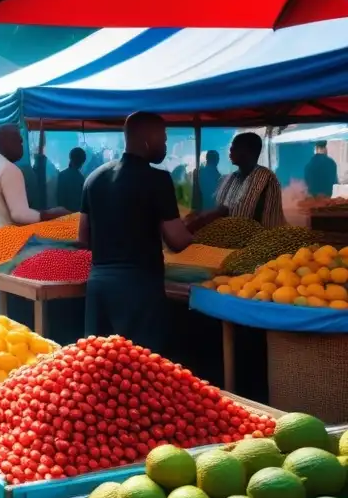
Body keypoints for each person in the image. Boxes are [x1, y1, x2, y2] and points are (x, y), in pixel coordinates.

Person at [79, 112, 193, 353]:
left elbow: (83, 237)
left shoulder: (93, 178)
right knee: (140, 372)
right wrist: (199, 224)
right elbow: (177, 241)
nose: (165, 145)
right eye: (162, 139)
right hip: (138, 289)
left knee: (99, 365)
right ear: (147, 138)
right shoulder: (157, 179)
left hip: (99, 286)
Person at [0, 125, 69, 227]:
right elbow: (20, 215)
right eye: (19, 141)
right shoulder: (8, 169)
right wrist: (52, 214)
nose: (21, 145)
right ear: (5, 143)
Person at [190, 133, 285, 230]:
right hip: (231, 237)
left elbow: (267, 219)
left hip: (259, 239)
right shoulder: (229, 178)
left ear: (250, 151)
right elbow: (225, 210)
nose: (230, 150)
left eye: (235, 147)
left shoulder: (267, 178)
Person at [56, 147, 87, 213]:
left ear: (70, 158)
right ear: (82, 162)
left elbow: (60, 199)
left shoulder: (62, 175)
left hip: (63, 214)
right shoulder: (81, 178)